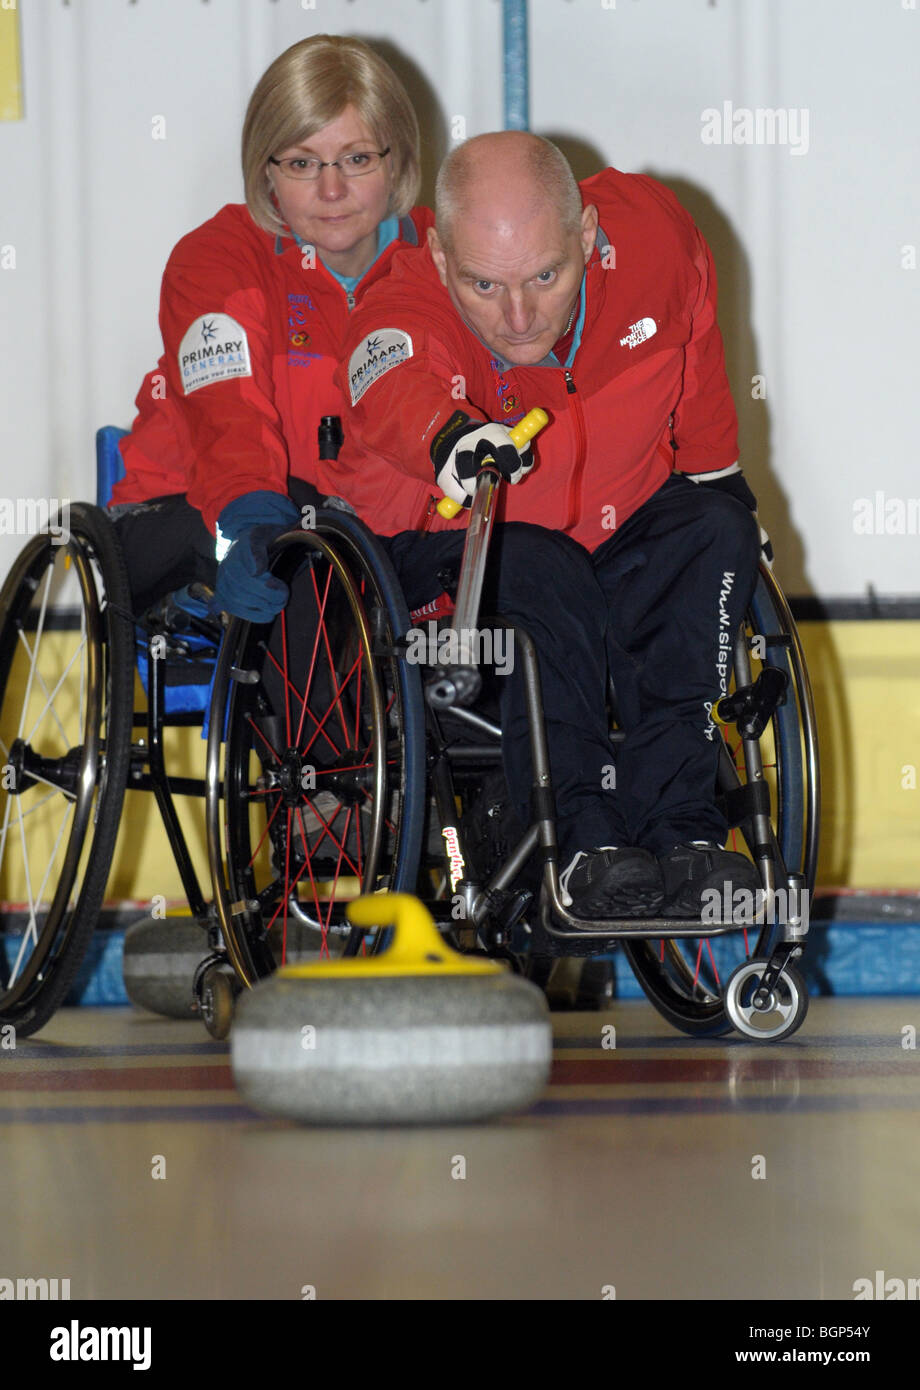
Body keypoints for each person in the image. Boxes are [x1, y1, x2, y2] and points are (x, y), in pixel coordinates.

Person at [330, 130, 764, 923]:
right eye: (483, 286)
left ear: (588, 235)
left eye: (545, 276)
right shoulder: (407, 293)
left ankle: (686, 838)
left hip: (614, 529)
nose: (520, 316)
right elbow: (382, 368)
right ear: (438, 258)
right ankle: (584, 848)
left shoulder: (656, 238)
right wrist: (446, 437)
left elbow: (695, 341)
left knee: (713, 532)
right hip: (457, 552)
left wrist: (717, 472)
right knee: (542, 566)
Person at [108, 33, 432, 625]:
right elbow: (226, 412)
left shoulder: (439, 260)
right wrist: (253, 515)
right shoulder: (217, 258)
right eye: (303, 163)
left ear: (399, 160)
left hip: (352, 533)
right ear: (266, 170)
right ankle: (313, 722)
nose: (331, 190)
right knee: (305, 535)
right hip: (188, 518)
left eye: (357, 159)